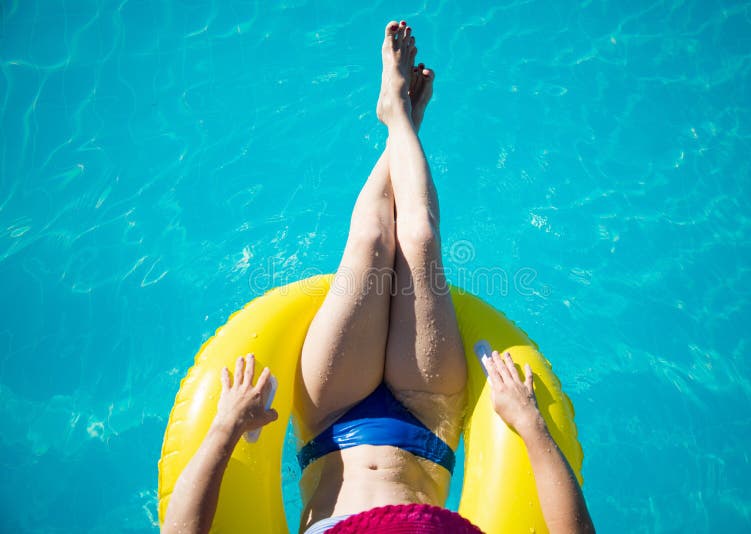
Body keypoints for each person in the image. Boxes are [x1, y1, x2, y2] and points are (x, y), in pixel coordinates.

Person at [163, 20, 594, 534]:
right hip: (426, 419)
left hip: (330, 420)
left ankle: (398, 117)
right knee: (422, 238)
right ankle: (401, 119)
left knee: (371, 241)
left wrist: (225, 427)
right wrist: (531, 426)